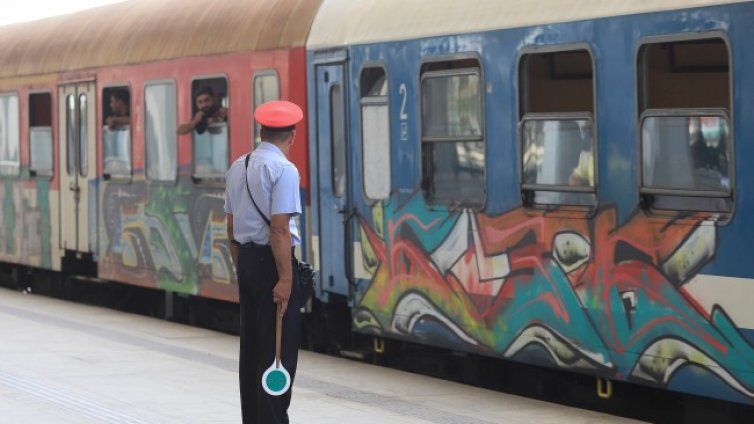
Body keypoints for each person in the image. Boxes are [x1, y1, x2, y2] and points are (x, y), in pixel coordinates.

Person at [225, 100, 303, 424]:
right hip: (273, 265)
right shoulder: (284, 170)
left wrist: (242, 267)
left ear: (260, 132)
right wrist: (285, 278)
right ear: (292, 136)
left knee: (252, 352)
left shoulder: (237, 167)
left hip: (246, 262)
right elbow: (279, 227)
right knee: (277, 355)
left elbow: (229, 226)